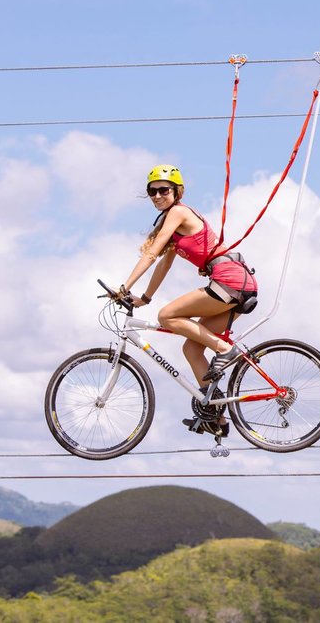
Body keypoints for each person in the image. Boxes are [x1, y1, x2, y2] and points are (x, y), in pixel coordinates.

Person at [112, 164, 258, 437]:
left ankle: (224, 350)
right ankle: (215, 417)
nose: (157, 195)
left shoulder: (178, 212)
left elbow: (152, 253)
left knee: (166, 316)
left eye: (163, 190)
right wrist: (143, 297)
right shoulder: (173, 224)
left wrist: (124, 286)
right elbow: (163, 265)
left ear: (176, 191)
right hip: (235, 284)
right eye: (152, 191)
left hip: (230, 281)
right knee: (191, 350)